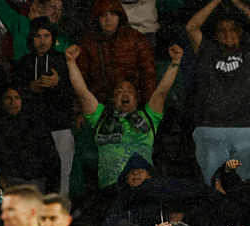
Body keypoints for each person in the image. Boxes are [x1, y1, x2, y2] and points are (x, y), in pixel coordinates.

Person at [67, 43, 181, 190]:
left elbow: (162, 91)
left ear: (137, 97)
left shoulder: (149, 116)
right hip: (110, 189)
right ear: (113, 98)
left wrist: (175, 62)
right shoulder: (100, 116)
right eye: (119, 91)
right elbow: (82, 91)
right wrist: (71, 62)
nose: (125, 93)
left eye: (129, 90)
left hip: (143, 186)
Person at [187, 0, 250, 182]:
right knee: (213, 184)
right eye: (222, 30)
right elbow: (191, 27)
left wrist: (235, 1)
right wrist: (215, 1)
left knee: (247, 185)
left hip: (248, 127)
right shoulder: (207, 51)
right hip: (211, 126)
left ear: (241, 34)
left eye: (232, 30)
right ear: (216, 35)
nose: (227, 34)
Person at [13, 17, 76, 195]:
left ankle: (60, 219)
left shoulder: (64, 61)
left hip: (60, 126)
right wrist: (29, 88)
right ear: (31, 38)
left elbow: (75, 92)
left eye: (46, 35)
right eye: (38, 36)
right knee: (34, 177)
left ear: (53, 37)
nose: (42, 41)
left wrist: (59, 83)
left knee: (63, 175)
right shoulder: (23, 64)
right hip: (31, 129)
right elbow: (12, 95)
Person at [76, 0, 156, 105]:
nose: (108, 19)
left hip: (132, 104)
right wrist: (79, 109)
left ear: (119, 17)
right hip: (98, 105)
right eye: (104, 15)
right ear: (97, 19)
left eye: (113, 14)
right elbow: (81, 78)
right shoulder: (88, 42)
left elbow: (148, 75)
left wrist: (147, 106)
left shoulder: (136, 39)